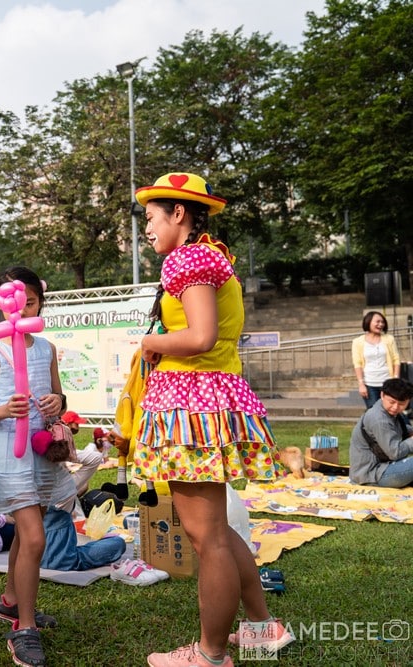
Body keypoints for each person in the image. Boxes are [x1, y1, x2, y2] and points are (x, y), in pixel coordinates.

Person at [132, 173, 290, 667]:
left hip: (192, 406)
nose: (148, 231)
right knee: (217, 532)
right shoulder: (209, 255)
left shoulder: (190, 258)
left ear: (179, 213)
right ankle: (262, 628)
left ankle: (210, 655)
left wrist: (149, 342)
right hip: (208, 400)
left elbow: (200, 337)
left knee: (208, 539)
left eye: (152, 218)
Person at [0, 266, 75, 667]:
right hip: (5, 453)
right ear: (0, 302)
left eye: (31, 301)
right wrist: (2, 409)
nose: (23, 308)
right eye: (18, 301)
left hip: (41, 450)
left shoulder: (45, 348)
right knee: (33, 537)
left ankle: (11, 602)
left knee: (28, 534)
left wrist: (56, 405)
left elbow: (58, 396)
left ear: (39, 303)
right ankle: (23, 630)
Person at [349, 377, 413, 488]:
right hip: (372, 475)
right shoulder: (378, 419)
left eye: (402, 404)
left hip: (384, 467)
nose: (395, 407)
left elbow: (401, 429)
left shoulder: (388, 411)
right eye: (392, 402)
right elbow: (395, 453)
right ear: (382, 395)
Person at [352, 310, 399, 409]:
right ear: (368, 322)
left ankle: (405, 425)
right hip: (370, 384)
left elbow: (396, 359)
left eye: (382, 322)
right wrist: (361, 384)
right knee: (374, 412)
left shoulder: (389, 339)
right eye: (377, 322)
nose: (380, 324)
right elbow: (358, 364)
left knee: (391, 411)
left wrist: (395, 379)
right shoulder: (357, 342)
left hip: (388, 383)